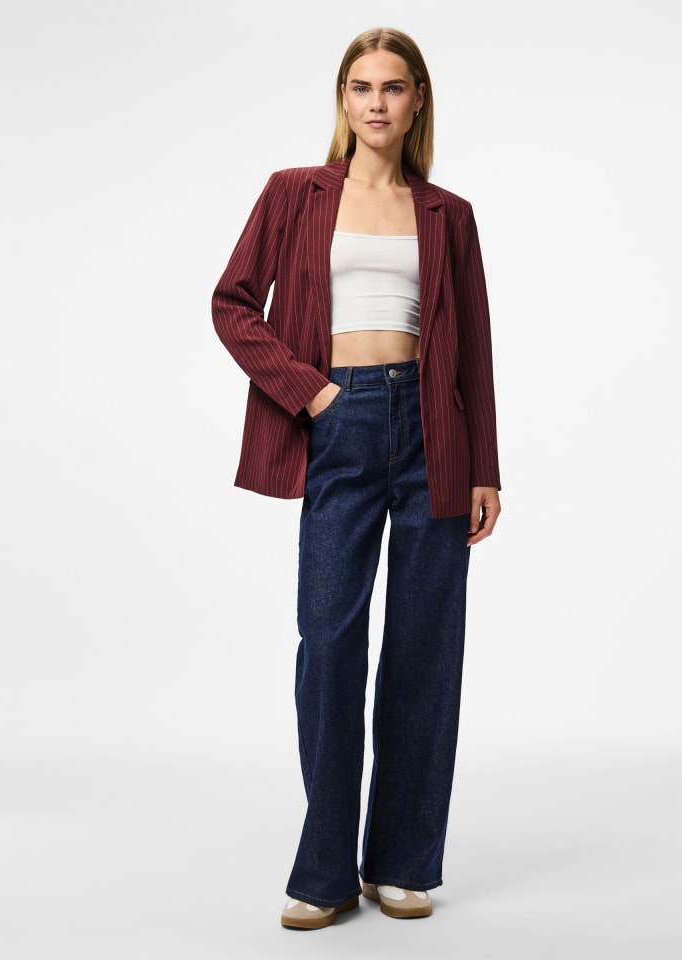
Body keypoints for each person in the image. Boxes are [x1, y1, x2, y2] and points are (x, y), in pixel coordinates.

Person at [212, 26, 501, 929]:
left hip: (434, 432)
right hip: (340, 420)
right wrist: (313, 394)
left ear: (417, 102)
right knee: (330, 644)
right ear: (343, 99)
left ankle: (403, 860)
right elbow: (232, 304)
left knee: (424, 648)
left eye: (394, 87)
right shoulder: (293, 193)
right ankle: (328, 867)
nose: (378, 103)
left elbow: (475, 349)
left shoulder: (448, 213)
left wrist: (485, 467)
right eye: (362, 87)